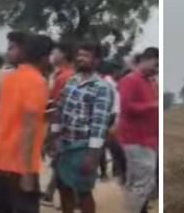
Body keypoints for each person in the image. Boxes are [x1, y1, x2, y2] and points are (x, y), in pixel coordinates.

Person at [0, 33, 53, 213]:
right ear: (45, 57)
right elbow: (28, 127)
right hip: (20, 165)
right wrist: (27, 171)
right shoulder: (37, 82)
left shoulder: (9, 79)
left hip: (0, 159)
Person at [51, 43, 115, 213]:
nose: (80, 58)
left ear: (96, 60)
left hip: (83, 148)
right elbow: (60, 109)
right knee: (63, 187)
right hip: (64, 145)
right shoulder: (71, 81)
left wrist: (92, 155)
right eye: (79, 55)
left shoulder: (101, 87)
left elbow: (99, 123)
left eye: (86, 55)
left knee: (83, 192)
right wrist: (54, 136)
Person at [117, 47, 159, 213]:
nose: (157, 69)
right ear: (146, 59)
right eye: (156, 64)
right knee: (142, 185)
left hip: (146, 139)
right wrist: (151, 106)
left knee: (137, 183)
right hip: (136, 139)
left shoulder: (148, 82)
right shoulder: (131, 80)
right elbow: (126, 108)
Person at [43, 42, 76, 206]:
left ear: (63, 55)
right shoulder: (67, 75)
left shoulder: (63, 77)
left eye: (54, 52)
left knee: (62, 160)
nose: (51, 56)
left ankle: (72, 198)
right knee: (61, 160)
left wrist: (50, 130)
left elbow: (55, 105)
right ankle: (50, 193)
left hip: (61, 126)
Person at [99, 62, 125, 181]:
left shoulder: (105, 82)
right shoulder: (111, 82)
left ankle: (107, 172)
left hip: (107, 115)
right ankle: (116, 171)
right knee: (111, 145)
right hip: (112, 115)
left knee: (105, 145)